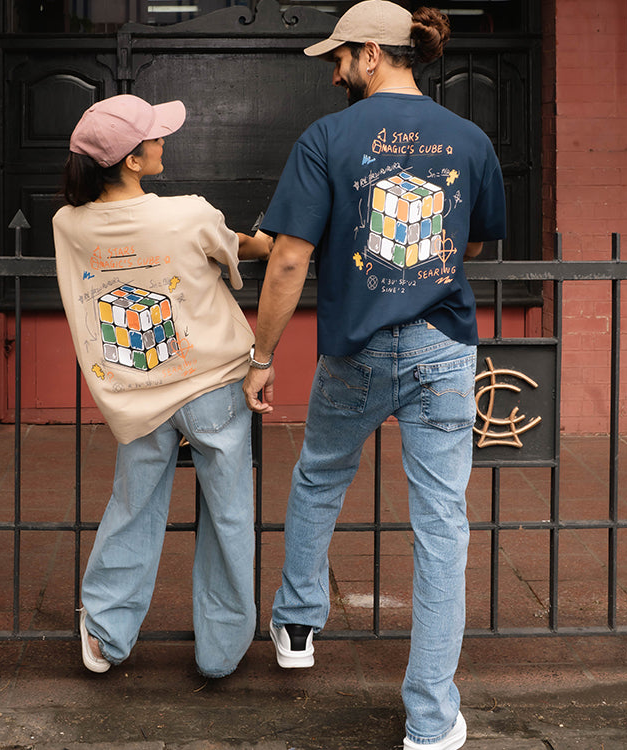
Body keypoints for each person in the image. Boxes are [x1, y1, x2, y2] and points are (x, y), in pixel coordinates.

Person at [243, 2, 506, 747]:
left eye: (338, 59)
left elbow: (288, 258)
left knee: (320, 477)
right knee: (441, 525)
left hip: (355, 348)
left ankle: (297, 627)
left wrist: (262, 357)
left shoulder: (327, 138)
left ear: (369, 52)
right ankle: (430, 719)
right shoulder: (470, 139)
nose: (334, 74)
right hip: (442, 346)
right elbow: (473, 245)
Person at [53, 93, 271, 679]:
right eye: (154, 136)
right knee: (229, 512)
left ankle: (105, 632)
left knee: (133, 506)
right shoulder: (189, 213)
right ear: (131, 159)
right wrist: (265, 243)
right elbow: (237, 249)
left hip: (137, 393)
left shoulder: (67, 225)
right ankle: (221, 650)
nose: (162, 142)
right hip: (211, 384)